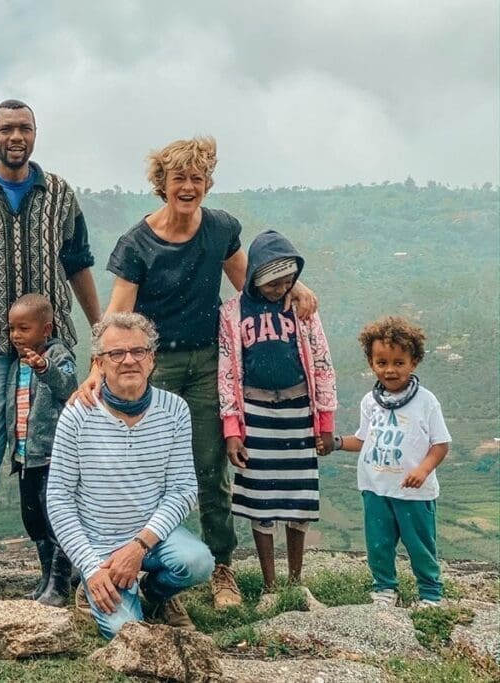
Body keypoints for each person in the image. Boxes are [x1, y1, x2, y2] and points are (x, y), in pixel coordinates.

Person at [73, 136, 317, 609]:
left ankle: (220, 566)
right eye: (178, 178)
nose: (187, 186)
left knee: (210, 464)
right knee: (150, 465)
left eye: (196, 178)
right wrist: (96, 369)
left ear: (208, 182)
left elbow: (252, 284)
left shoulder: (221, 229)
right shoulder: (136, 244)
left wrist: (297, 285)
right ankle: (149, 565)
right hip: (151, 366)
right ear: (161, 184)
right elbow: (117, 317)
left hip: (209, 362)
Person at [0, 99, 101, 591]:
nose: (16, 136)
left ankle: (59, 571)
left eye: (24, 128)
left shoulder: (60, 195)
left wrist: (103, 332)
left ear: (36, 134)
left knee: (56, 454)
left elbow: (79, 264)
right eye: (6, 128)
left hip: (53, 352)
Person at [48, 312, 214, 638]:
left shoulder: (175, 410)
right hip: (99, 550)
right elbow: (59, 499)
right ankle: (91, 588)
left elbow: (182, 489)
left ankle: (159, 594)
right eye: (116, 354)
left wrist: (138, 546)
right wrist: (92, 568)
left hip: (152, 541)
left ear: (151, 359)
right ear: (99, 362)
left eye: (138, 351)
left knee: (197, 562)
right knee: (126, 632)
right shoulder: (77, 415)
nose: (129, 361)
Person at [217, 230, 337, 606]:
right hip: (254, 414)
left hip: (298, 410)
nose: (280, 287)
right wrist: (232, 429)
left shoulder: (301, 309)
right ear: (254, 276)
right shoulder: (233, 313)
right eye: (273, 281)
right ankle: (270, 586)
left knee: (298, 496)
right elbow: (226, 371)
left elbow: (321, 363)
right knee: (261, 498)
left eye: (288, 280)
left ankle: (296, 580)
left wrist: (326, 424)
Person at [333, 317, 451, 608]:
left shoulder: (426, 401)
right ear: (371, 363)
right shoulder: (369, 402)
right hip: (375, 487)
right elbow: (363, 440)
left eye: (399, 362)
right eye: (382, 362)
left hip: (413, 492)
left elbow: (441, 444)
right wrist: (334, 443)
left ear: (415, 362)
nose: (390, 369)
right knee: (379, 545)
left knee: (420, 545)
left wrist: (423, 470)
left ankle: (431, 594)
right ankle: (385, 589)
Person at [5, 294, 78, 606]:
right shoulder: (16, 364)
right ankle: (47, 577)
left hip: (51, 457)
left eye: (23, 328)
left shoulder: (59, 356)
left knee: (54, 520)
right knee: (32, 518)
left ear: (45, 329)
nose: (16, 336)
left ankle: (60, 585)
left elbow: (68, 387)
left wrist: (45, 367)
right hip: (25, 457)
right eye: (12, 329)